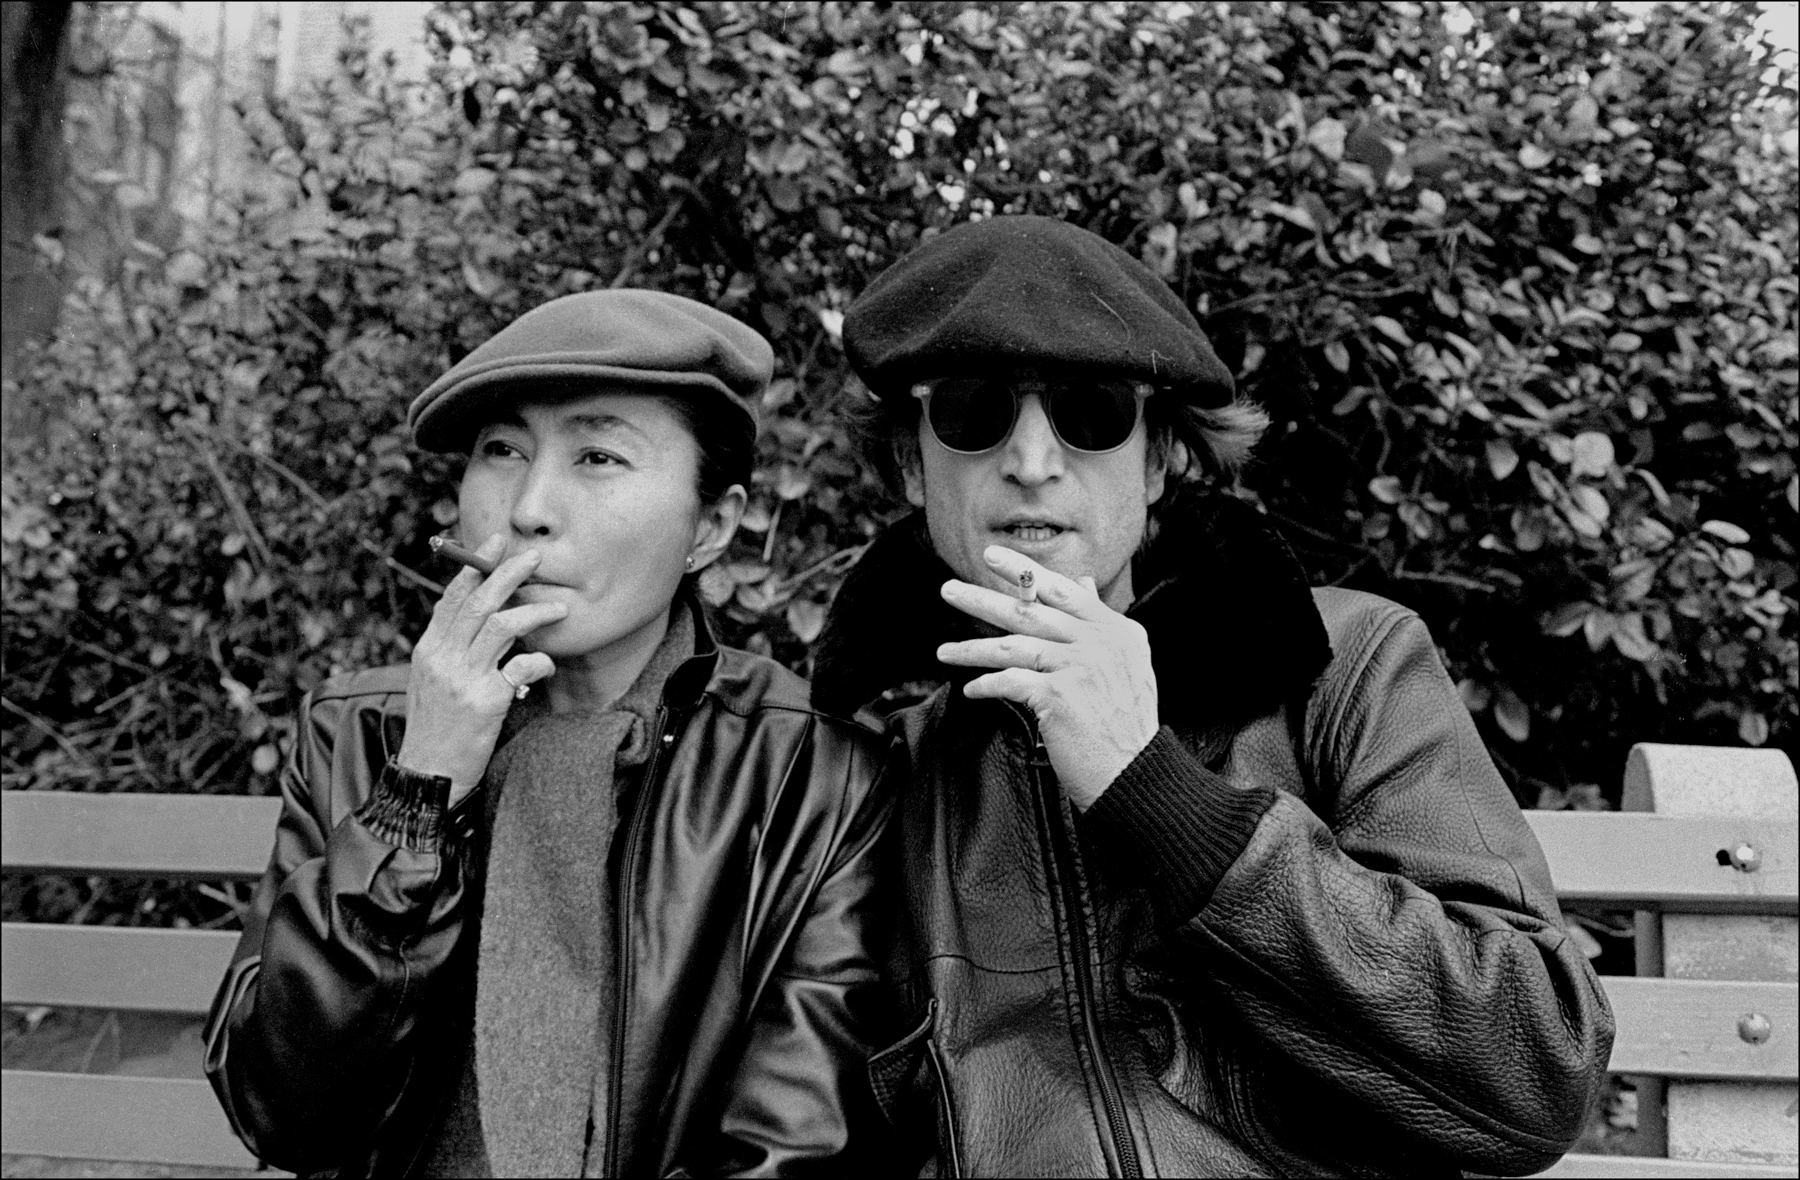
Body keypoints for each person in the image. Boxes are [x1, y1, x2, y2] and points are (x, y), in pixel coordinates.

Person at [815, 216, 1614, 1177]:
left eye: (1095, 411)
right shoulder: (860, 758)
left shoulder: (1345, 667)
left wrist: (1158, 795)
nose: (1032, 461)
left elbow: (1538, 1070)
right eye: (974, 412)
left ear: (1156, 462)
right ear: (912, 461)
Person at [204, 290, 893, 1178]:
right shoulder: (364, 734)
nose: (528, 507)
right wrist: (417, 795)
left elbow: (793, 1151)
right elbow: (286, 1117)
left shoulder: (812, 775)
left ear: (711, 527)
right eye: (502, 451)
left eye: (598, 456)